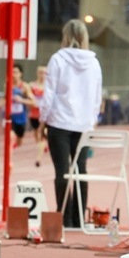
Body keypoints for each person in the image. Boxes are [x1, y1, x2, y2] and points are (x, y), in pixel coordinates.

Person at [39, 19, 102, 229]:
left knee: (62, 172)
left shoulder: (58, 59)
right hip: (83, 125)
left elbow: (49, 94)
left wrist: (42, 120)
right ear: (84, 37)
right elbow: (96, 98)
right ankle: (80, 220)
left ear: (65, 36)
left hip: (60, 122)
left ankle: (64, 218)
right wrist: (91, 123)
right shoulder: (94, 63)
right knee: (81, 170)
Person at [10, 63, 35, 151]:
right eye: (11, 72)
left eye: (16, 72)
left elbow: (33, 102)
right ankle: (9, 159)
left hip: (21, 118)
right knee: (10, 137)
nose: (13, 75)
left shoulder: (25, 87)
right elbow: (4, 99)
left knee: (19, 141)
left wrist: (21, 100)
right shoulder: (7, 85)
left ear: (21, 74)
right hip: (10, 117)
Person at [28, 65, 47, 167]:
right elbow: (29, 98)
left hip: (44, 115)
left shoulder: (49, 87)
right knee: (37, 136)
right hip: (34, 115)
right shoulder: (31, 86)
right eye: (40, 72)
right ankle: (43, 147)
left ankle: (38, 158)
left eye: (44, 73)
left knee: (41, 135)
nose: (42, 75)